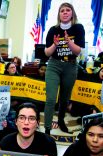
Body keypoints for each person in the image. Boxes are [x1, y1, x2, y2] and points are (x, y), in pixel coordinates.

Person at [43, 2, 85, 135]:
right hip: (54, 65)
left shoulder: (78, 28)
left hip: (71, 66)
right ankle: (47, 129)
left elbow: (78, 51)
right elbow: (47, 53)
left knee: (64, 99)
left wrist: (69, 42)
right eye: (62, 11)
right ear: (59, 14)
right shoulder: (53, 30)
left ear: (72, 13)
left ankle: (61, 120)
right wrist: (55, 44)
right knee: (50, 99)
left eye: (68, 10)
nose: (65, 12)